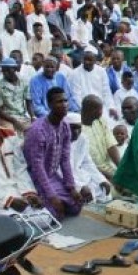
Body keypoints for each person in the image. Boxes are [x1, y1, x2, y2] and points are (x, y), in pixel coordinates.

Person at [23, 87, 85, 219]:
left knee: (76, 206)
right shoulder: (38, 130)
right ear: (50, 105)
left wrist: (71, 187)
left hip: (52, 176)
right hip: (35, 178)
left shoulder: (65, 127)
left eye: (65, 101)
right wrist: (52, 196)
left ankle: (57, 200)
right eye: (59, 102)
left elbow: (65, 159)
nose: (64, 105)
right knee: (56, 214)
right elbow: (37, 167)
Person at [67, 112, 109, 203]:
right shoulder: (59, 141)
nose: (76, 132)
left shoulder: (82, 138)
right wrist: (79, 187)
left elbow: (87, 162)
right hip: (65, 180)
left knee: (103, 190)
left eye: (79, 128)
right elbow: (60, 171)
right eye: (73, 128)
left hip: (79, 174)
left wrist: (101, 179)